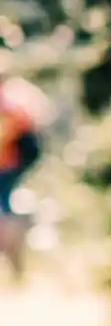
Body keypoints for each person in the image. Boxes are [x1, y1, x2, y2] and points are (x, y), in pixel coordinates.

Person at [0, 74, 49, 283]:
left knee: (4, 214)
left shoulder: (9, 105)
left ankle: (15, 263)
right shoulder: (14, 101)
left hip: (5, 167)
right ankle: (16, 266)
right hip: (9, 166)